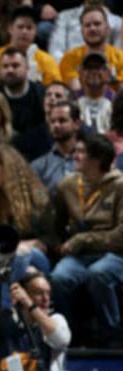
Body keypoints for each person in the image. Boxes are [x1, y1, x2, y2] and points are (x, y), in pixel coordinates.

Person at [50, 133, 123, 347]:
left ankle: (112, 337)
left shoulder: (120, 185)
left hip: (115, 253)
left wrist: (83, 239)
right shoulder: (67, 185)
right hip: (79, 254)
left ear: (98, 159)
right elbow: (56, 225)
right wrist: (58, 244)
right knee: (59, 277)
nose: (75, 155)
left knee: (99, 273)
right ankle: (67, 337)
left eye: (82, 152)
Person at [0, 144, 55, 280]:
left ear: (7, 169)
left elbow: (49, 241)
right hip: (1, 258)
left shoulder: (38, 198)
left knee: (19, 255)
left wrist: (21, 246)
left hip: (35, 256)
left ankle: (5, 301)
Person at [0, 6, 61, 88]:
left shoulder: (47, 61)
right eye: (20, 27)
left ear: (35, 31)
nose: (24, 32)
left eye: (29, 28)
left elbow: (55, 92)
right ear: (10, 29)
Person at [58, 5, 123, 92]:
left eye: (97, 24)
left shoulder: (120, 58)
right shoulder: (70, 58)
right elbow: (77, 92)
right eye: (87, 25)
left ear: (107, 28)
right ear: (81, 30)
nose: (92, 28)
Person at [32, 100, 81, 196]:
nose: (56, 125)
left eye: (62, 120)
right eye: (52, 121)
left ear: (77, 124)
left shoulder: (91, 161)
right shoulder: (39, 166)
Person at [0, 47, 47, 135]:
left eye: (15, 65)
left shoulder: (43, 95)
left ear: (27, 67)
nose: (10, 70)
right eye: (5, 66)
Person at [76, 52, 114, 133]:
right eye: (88, 67)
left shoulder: (118, 102)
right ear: (80, 73)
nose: (93, 71)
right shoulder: (71, 101)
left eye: (98, 67)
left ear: (108, 73)